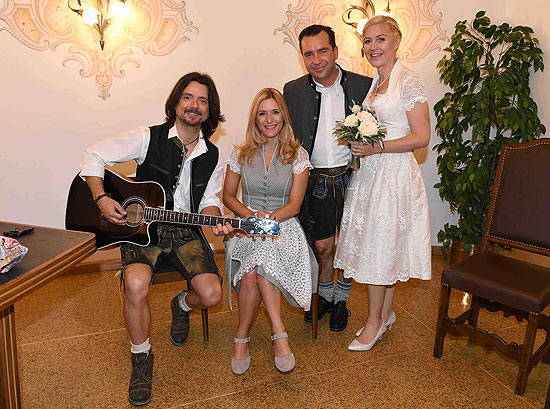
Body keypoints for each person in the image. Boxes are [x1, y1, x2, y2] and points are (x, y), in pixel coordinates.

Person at [80, 72, 233, 405]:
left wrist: (217, 218)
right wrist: (101, 197)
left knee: (211, 294)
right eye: (188, 97)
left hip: (185, 229)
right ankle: (141, 355)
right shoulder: (148, 137)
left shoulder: (214, 155)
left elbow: (208, 200)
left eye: (203, 101)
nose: (194, 105)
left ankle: (180, 305)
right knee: (135, 285)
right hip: (140, 230)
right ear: (176, 102)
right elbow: (92, 155)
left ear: (210, 111)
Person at [334, 15, 432, 351]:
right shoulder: (376, 82)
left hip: (393, 176)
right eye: (367, 41)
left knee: (378, 249)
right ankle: (386, 314)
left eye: (380, 40)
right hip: (372, 175)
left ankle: (373, 323)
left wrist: (378, 147)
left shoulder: (409, 83)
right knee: (382, 247)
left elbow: (422, 136)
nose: (372, 47)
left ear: (396, 42)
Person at [283, 25, 372, 331]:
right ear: (302, 57)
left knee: (349, 245)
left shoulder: (364, 86)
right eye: (309, 54)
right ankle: (326, 296)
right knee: (322, 246)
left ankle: (342, 302)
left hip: (354, 177)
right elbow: (288, 138)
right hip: (316, 180)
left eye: (323, 51)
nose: (316, 59)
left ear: (335, 51)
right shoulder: (292, 90)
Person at [223, 88, 317, 375]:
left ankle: (247, 336)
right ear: (255, 119)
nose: (269, 119)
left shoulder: (297, 154)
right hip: (245, 227)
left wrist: (269, 219)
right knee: (253, 268)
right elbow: (228, 196)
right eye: (262, 113)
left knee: (258, 265)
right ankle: (277, 334)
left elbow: (296, 205)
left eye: (275, 112)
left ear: (283, 116)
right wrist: (251, 217)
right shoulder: (240, 153)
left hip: (284, 227)